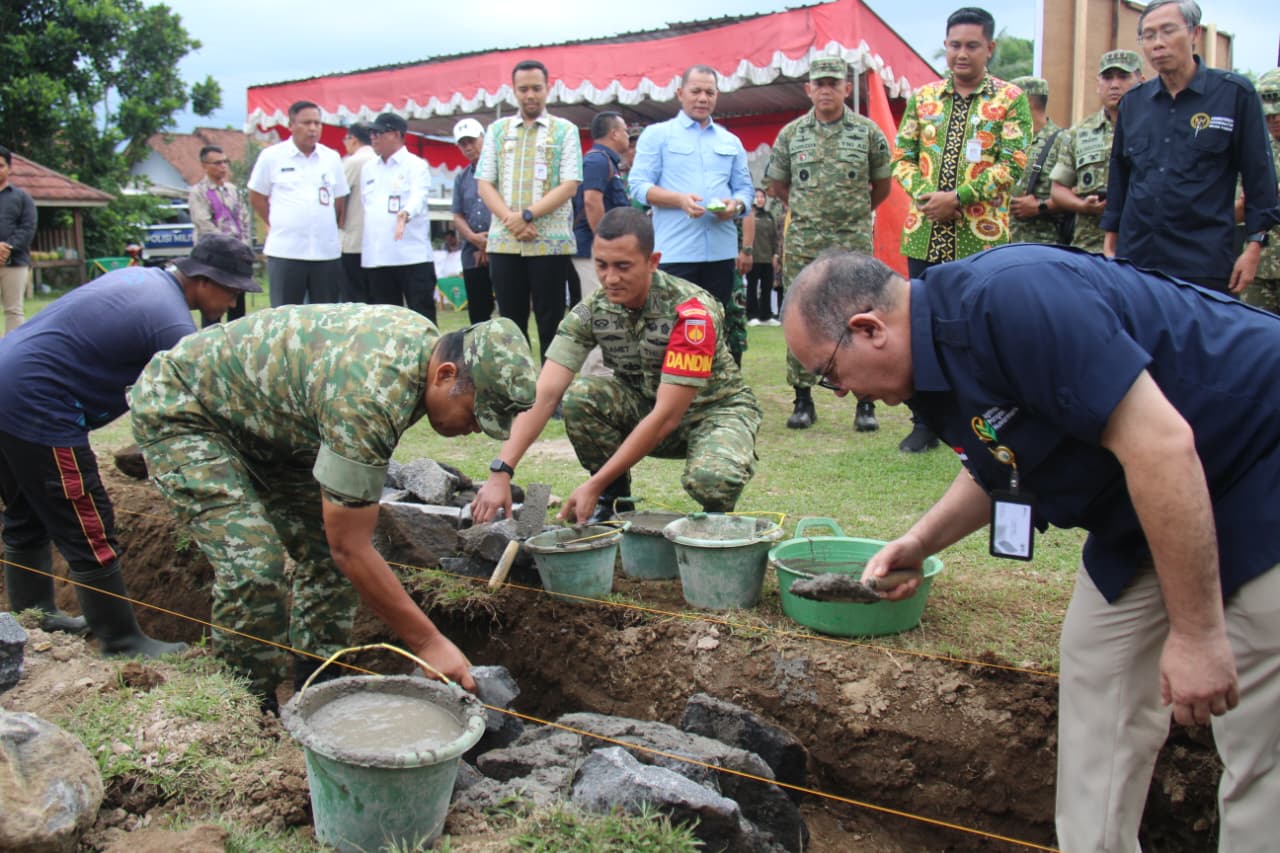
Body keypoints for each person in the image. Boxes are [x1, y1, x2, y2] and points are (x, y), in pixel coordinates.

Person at [782, 245, 1280, 853]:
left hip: (1257, 457)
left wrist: (1199, 634)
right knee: (1099, 670)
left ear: (868, 329)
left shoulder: (1013, 302)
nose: (834, 392)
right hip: (1144, 499)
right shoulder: (931, 365)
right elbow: (1003, 459)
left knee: (1258, 727)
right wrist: (919, 541)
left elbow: (1162, 446)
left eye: (828, 372)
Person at [130, 312, 538, 710]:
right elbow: (351, 547)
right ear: (445, 374)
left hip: (273, 424)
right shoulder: (369, 397)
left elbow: (337, 545)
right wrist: (429, 643)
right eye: (473, 414)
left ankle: (317, 686)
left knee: (324, 554)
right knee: (254, 568)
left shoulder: (421, 349)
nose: (474, 430)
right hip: (187, 409)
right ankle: (246, 709)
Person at [0, 234, 256, 656]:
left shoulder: (143, 281)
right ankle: (121, 641)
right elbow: (203, 408)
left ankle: (35, 617)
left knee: (27, 511)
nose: (232, 304)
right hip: (38, 406)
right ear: (204, 281)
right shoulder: (170, 322)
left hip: (9, 387)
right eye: (231, 292)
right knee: (88, 524)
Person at [471, 208, 761, 525]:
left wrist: (590, 485)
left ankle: (717, 525)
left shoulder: (691, 312)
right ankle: (614, 501)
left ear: (653, 261)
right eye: (601, 265)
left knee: (711, 478)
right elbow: (546, 393)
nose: (610, 278)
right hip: (645, 409)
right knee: (581, 397)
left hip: (715, 413)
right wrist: (501, 470)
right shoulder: (594, 309)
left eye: (623, 267)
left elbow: (667, 416)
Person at [890, 6, 1032, 452]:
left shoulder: (1010, 99)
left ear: (990, 47)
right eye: (954, 45)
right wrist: (928, 197)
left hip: (982, 237)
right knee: (921, 326)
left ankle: (983, 420)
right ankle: (926, 421)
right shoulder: (924, 97)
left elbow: (1013, 163)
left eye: (972, 45)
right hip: (924, 231)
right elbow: (902, 156)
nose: (962, 54)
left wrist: (960, 199)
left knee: (979, 328)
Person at [1102, 0, 1279, 292]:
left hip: (1203, 263)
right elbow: (1120, 176)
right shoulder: (1133, 103)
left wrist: (1254, 247)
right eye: (1148, 35)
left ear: (1194, 33)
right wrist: (1110, 239)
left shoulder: (1234, 94)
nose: (1157, 43)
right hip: (1137, 260)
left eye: (1167, 31)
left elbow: (1259, 177)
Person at [766, 55, 892, 432]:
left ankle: (865, 402)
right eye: (819, 83)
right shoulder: (791, 134)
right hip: (804, 242)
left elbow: (882, 186)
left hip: (852, 240)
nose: (825, 89)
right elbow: (778, 185)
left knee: (861, 315)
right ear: (808, 89)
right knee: (798, 314)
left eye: (833, 83)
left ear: (846, 89)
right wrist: (808, 212)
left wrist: (853, 214)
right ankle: (803, 399)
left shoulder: (868, 133)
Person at [476, 59, 582, 363]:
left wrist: (526, 215)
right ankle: (518, 388)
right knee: (510, 321)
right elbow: (485, 183)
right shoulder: (497, 130)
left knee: (551, 319)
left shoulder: (565, 131)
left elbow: (570, 184)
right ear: (514, 91)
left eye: (536, 88)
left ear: (548, 89)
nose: (530, 95)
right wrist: (512, 220)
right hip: (504, 241)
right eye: (523, 89)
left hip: (550, 242)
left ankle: (551, 391)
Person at [628, 65, 754, 312]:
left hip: (720, 253)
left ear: (717, 95)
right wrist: (679, 200)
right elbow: (639, 186)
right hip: (675, 252)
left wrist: (735, 206)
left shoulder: (730, 141)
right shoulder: (657, 135)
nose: (703, 98)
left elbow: (745, 190)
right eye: (696, 91)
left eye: (710, 92)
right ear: (680, 93)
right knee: (671, 328)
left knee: (714, 328)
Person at [248, 100, 349, 307]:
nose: (312, 128)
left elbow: (339, 200)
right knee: (285, 316)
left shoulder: (331, 158)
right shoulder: (272, 157)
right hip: (286, 251)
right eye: (306, 123)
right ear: (291, 125)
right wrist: (276, 221)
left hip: (325, 253)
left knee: (325, 318)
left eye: (317, 123)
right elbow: (256, 195)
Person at [1049, 51, 1144, 253]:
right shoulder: (1078, 132)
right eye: (1108, 77)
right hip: (1089, 248)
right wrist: (1083, 205)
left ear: (1141, 81)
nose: (1115, 85)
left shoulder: (1156, 128)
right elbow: (1058, 190)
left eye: (1123, 77)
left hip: (1140, 247)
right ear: (1098, 84)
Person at [360, 112, 437, 321]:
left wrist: (405, 214)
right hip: (378, 259)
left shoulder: (416, 165)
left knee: (421, 318)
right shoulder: (368, 169)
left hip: (411, 257)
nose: (373, 138)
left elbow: (418, 197)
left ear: (395, 134)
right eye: (371, 133)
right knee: (384, 324)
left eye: (377, 133)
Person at [189, 144, 252, 326]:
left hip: (237, 256)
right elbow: (204, 224)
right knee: (212, 307)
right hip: (213, 259)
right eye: (217, 163)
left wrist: (243, 246)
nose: (223, 166)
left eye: (225, 162)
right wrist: (227, 248)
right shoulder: (198, 192)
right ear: (204, 165)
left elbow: (244, 218)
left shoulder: (232, 190)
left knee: (237, 308)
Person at [1007, 77, 1068, 246]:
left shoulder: (1062, 141)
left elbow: (1079, 192)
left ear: (1027, 102)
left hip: (1044, 245)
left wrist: (1040, 206)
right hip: (1005, 244)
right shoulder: (1009, 141)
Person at [1242, 68, 1280, 312]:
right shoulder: (1253, 149)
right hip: (1259, 266)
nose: (1273, 120)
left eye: (1278, 114)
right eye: (1267, 116)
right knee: (1256, 344)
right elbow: (1233, 209)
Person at [451, 118, 495, 325]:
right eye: (463, 143)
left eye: (472, 141)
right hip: (471, 251)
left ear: (483, 138)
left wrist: (489, 243)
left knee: (510, 307)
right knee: (478, 312)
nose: (468, 147)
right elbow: (457, 215)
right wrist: (473, 238)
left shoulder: (500, 171)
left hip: (501, 246)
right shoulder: (461, 178)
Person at [0, 145, 36, 335]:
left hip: (15, 263)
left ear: (9, 168)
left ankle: (12, 356)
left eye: (0, 166)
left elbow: (28, 227)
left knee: (13, 310)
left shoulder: (22, 197)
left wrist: (7, 247)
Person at [339, 122, 376, 302]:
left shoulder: (353, 162)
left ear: (353, 139)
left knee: (354, 297)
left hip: (353, 241)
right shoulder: (380, 159)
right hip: (377, 244)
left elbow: (338, 198)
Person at [744, 189, 777, 326]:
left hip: (767, 258)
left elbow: (774, 237)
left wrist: (775, 254)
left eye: (762, 197)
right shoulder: (749, 215)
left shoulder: (769, 216)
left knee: (767, 287)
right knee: (752, 287)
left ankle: (766, 315)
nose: (759, 199)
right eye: (756, 197)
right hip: (753, 257)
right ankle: (752, 315)